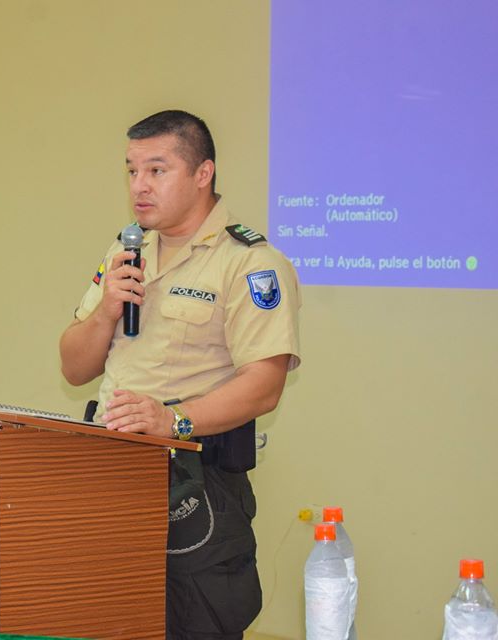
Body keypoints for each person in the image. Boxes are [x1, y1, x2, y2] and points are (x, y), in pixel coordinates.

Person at [59, 110, 301, 640]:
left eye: (156, 170)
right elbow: (74, 368)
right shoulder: (125, 252)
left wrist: (173, 421)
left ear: (202, 173)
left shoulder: (250, 263)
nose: (138, 186)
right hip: (109, 477)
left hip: (195, 487)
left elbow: (265, 384)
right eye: (131, 170)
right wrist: (105, 313)